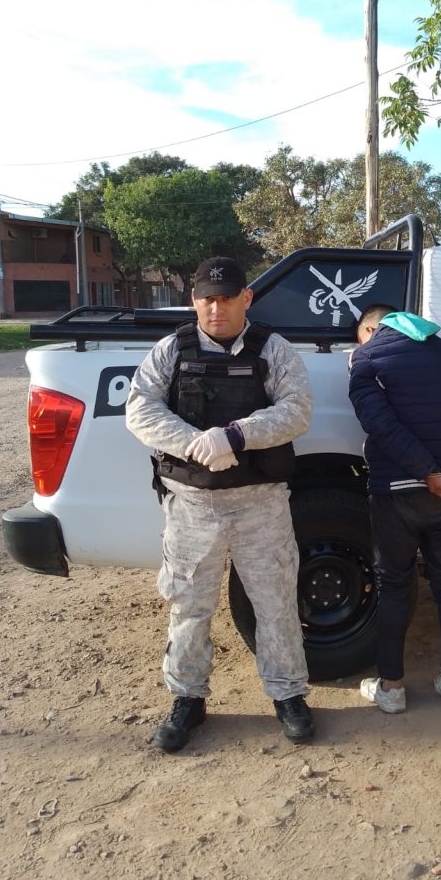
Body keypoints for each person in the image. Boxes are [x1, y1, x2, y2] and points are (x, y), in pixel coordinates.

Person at [126, 256, 314, 752]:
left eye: (227, 297)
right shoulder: (172, 350)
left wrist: (235, 435)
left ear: (245, 299)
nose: (216, 307)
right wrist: (194, 442)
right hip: (192, 505)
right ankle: (188, 697)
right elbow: (140, 408)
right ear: (194, 302)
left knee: (275, 603)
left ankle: (288, 694)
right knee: (189, 606)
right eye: (207, 298)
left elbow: (297, 410)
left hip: (261, 503)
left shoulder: (272, 348)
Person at [348, 304, 441, 713]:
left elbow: (378, 421)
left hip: (395, 491)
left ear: (371, 328)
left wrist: (423, 469)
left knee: (394, 586)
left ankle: (391, 688)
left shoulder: (367, 357)